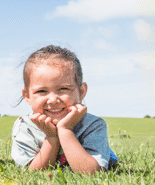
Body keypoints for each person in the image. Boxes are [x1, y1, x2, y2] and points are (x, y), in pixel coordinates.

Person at [11, 45, 118, 173]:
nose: (53, 100)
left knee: (107, 158)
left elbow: (91, 173)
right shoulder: (25, 127)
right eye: (42, 91)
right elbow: (33, 172)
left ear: (81, 91)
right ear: (27, 96)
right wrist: (51, 138)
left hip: (96, 157)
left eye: (63, 89)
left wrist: (65, 130)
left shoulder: (93, 125)